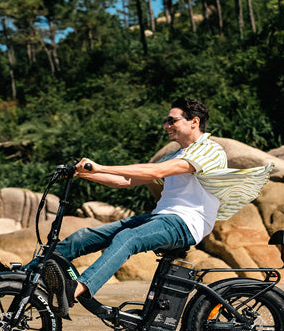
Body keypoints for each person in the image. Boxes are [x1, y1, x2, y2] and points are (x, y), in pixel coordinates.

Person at [50, 97, 228, 309]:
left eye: (172, 120)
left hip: (187, 223)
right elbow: (126, 180)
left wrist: (100, 167)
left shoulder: (210, 150)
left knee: (128, 238)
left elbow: (156, 171)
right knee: (83, 237)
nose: (166, 126)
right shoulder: (175, 155)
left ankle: (76, 289)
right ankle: (25, 275)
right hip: (162, 218)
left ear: (194, 122)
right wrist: (81, 174)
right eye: (166, 121)